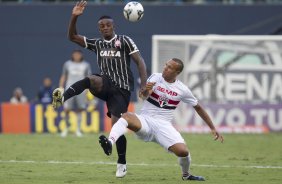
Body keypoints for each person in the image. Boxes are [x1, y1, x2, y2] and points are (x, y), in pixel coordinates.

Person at [52, 0, 147, 178]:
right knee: (90, 79)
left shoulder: (125, 40)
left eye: (107, 25)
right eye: (101, 26)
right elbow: (72, 36)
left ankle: (121, 162)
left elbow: (140, 61)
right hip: (105, 84)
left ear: (113, 26)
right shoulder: (97, 44)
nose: (105, 28)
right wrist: (74, 16)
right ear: (99, 28)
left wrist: (143, 84)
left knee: (117, 127)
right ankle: (62, 98)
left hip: (122, 89)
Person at [99, 58, 224, 181]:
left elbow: (198, 108)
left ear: (177, 73)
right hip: (146, 121)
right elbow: (143, 96)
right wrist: (146, 90)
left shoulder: (182, 89)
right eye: (166, 65)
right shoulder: (155, 77)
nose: (165, 68)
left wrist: (212, 127)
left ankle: (186, 175)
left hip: (163, 126)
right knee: (126, 116)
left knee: (183, 151)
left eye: (170, 67)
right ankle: (110, 143)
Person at [59, 50, 92, 137]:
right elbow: (64, 76)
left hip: (81, 90)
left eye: (78, 54)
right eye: (75, 54)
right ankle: (65, 129)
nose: (77, 56)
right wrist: (61, 88)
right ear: (72, 55)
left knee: (80, 109)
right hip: (69, 89)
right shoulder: (67, 64)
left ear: (81, 55)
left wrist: (89, 90)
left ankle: (78, 130)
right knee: (67, 109)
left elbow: (89, 78)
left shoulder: (86, 65)